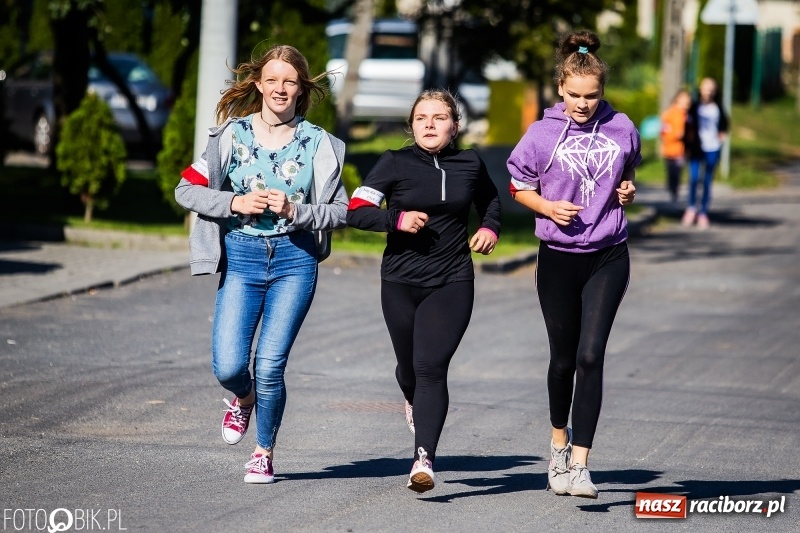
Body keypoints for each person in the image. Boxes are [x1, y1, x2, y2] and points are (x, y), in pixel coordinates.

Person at [174, 44, 348, 484]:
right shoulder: (230, 136)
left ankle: (263, 451)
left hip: (295, 259)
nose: (280, 89)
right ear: (258, 83)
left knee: (270, 363)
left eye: (289, 81)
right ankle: (243, 398)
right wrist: (234, 200)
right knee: (229, 366)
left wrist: (297, 211)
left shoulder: (320, 144)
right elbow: (185, 190)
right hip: (243, 258)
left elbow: (342, 210)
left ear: (301, 88)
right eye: (272, 80)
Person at [346, 89, 501, 494]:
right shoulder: (393, 163)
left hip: (452, 280)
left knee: (431, 367)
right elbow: (356, 211)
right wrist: (395, 219)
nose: (429, 124)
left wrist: (489, 228)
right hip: (399, 281)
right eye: (421, 118)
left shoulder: (470, 163)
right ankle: (412, 398)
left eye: (439, 117)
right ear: (411, 125)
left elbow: (491, 202)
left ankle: (423, 460)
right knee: (409, 369)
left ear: (455, 126)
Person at [506, 30, 640, 499]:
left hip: (609, 254)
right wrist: (546, 208)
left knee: (590, 355)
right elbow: (517, 184)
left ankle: (581, 464)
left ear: (602, 92)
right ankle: (558, 446)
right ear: (560, 89)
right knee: (563, 360)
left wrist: (627, 190)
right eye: (576, 96)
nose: (583, 105)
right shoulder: (541, 134)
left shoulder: (622, 126)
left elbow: (628, 170)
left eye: (592, 96)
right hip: (558, 257)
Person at [682, 77, 729, 229]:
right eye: (705, 88)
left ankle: (703, 212)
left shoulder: (718, 107)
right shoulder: (694, 107)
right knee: (694, 178)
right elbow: (686, 124)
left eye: (711, 89)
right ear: (700, 89)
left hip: (712, 147)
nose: (708, 92)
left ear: (715, 91)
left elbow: (724, 124)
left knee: (707, 181)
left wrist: (722, 135)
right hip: (697, 148)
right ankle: (691, 208)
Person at [660, 88, 691, 203]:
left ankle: (675, 192)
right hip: (670, 149)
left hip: (681, 150)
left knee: (678, 172)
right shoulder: (670, 114)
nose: (686, 103)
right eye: (683, 100)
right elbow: (663, 131)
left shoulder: (687, 115)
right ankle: (672, 190)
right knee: (671, 172)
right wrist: (675, 135)